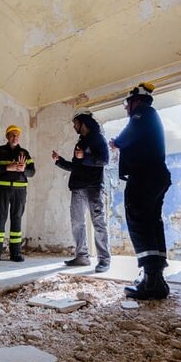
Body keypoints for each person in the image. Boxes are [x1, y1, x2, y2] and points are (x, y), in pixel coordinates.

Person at [109, 83, 171, 299]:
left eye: (127, 103)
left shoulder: (142, 113)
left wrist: (116, 142)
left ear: (136, 100)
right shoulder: (150, 116)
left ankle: (151, 281)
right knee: (152, 224)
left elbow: (126, 137)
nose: (126, 108)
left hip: (144, 176)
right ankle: (155, 278)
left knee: (139, 222)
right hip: (155, 175)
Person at [52, 108, 111, 273]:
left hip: (93, 187)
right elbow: (75, 166)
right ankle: (82, 257)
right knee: (77, 223)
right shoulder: (80, 142)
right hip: (77, 188)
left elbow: (104, 160)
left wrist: (84, 157)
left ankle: (104, 260)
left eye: (75, 123)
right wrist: (59, 161)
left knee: (98, 222)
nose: (74, 126)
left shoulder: (98, 139)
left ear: (83, 122)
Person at [0, 125, 35, 263]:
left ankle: (16, 253)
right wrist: (7, 167)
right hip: (2, 190)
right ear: (7, 136)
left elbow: (32, 172)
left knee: (17, 219)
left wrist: (24, 170)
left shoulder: (24, 153)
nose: (15, 137)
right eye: (12, 135)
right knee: (0, 219)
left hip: (20, 191)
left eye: (17, 135)